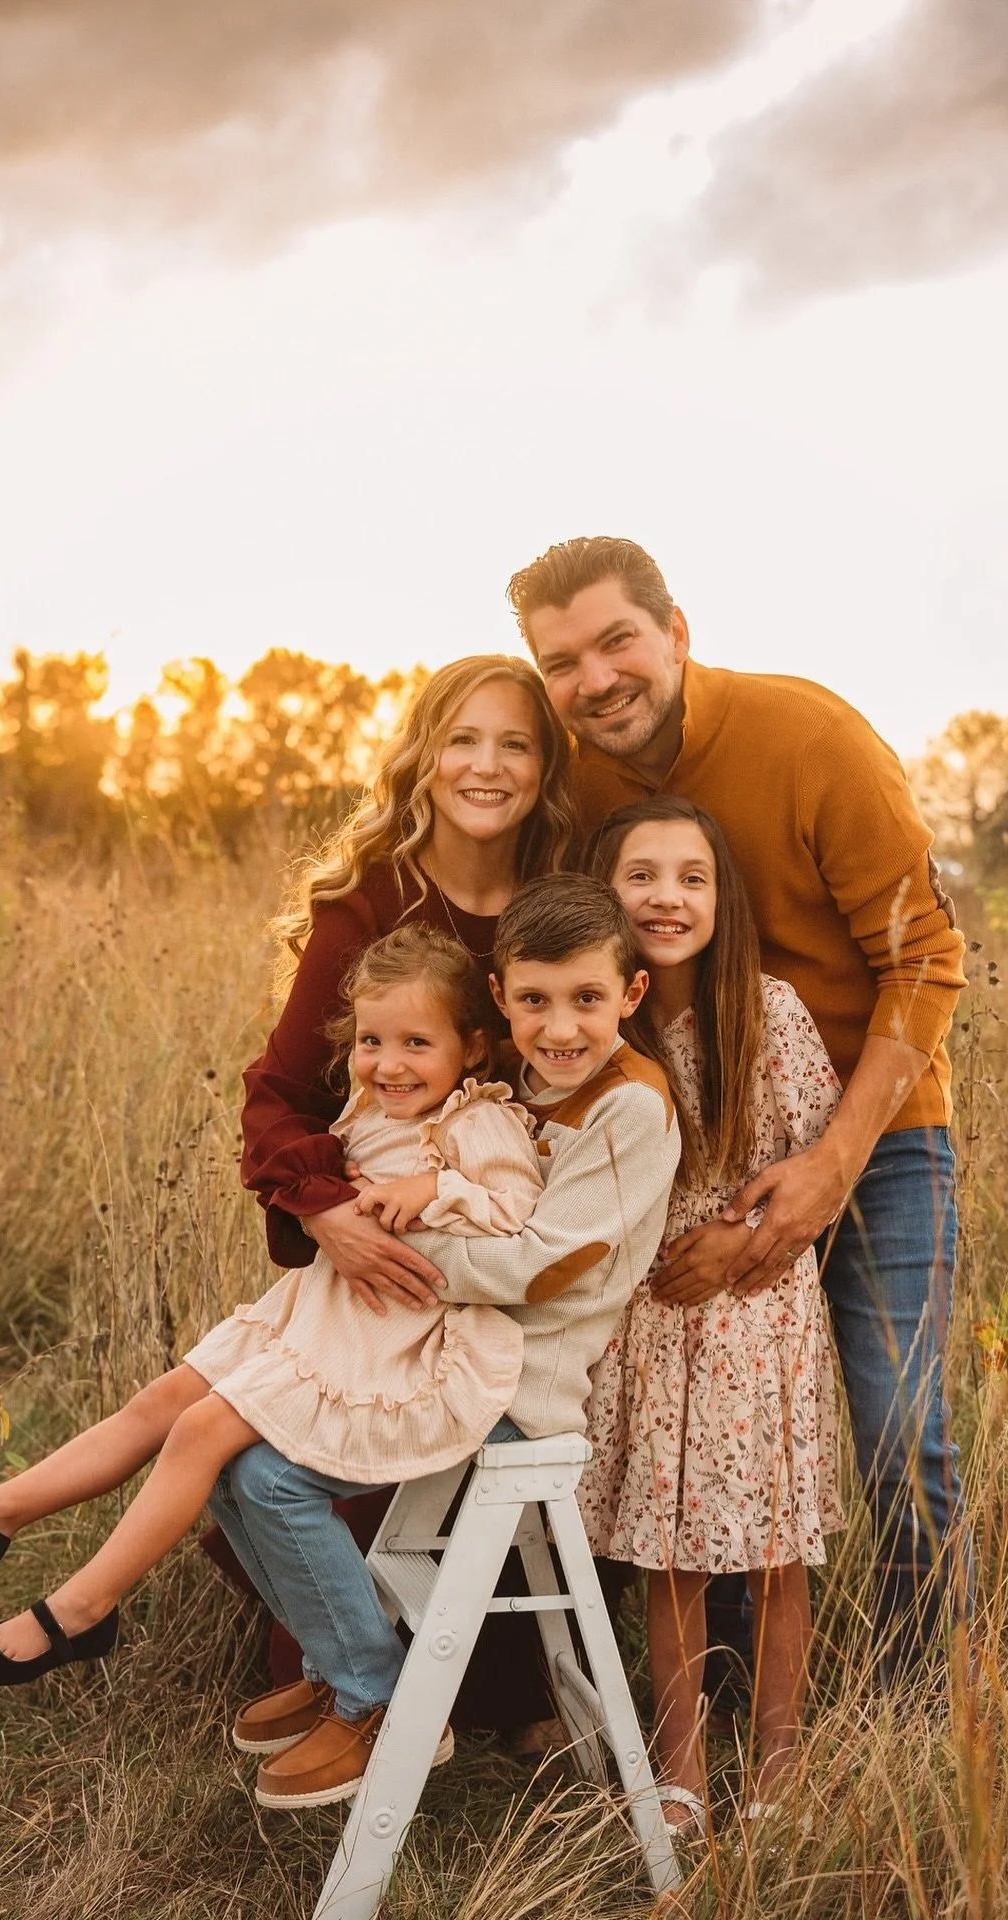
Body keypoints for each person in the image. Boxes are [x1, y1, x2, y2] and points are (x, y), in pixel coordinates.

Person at [507, 536, 969, 1682]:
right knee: (669, 1416)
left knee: (900, 1428)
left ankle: (930, 1702)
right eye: (562, 662)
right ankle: (703, 1688)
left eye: (617, 641)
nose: (596, 679)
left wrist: (830, 1168)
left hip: (877, 1131)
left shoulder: (811, 739)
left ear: (676, 632)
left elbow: (928, 959)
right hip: (681, 1151)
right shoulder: (575, 787)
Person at [0, 925, 543, 1693]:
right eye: (371, 1041)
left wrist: (429, 1189)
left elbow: (518, 1209)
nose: (388, 1064)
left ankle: (85, 1607)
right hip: (318, 1317)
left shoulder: (479, 1120)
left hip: (389, 1337)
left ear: (474, 1049)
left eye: (416, 1043)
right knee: (165, 1399)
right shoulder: (369, 1109)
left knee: (200, 1431)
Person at [205, 872, 681, 1808]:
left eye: (587, 1000)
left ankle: (378, 1697)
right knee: (227, 1460)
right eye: (536, 1001)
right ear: (501, 1003)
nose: (561, 1027)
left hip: (518, 1382)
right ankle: (346, 1667)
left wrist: (393, 1246)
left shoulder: (628, 1107)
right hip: (449, 1354)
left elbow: (546, 1265)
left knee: (272, 1477)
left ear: (630, 995)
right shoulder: (526, 1089)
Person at [235, 652, 578, 1745]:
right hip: (377, 1247)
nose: (486, 765)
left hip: (510, 1233)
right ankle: (359, 1688)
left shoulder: (561, 904)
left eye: (515, 743)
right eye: (463, 739)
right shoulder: (367, 907)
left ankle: (494, 1698)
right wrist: (326, 1208)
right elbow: (278, 1096)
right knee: (288, 1452)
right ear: (423, 756)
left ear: (546, 767)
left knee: (489, 1444)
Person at [578, 796, 844, 1831]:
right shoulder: (602, 1022)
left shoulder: (764, 1011)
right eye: (641, 874)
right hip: (651, 1317)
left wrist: (743, 1242)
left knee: (778, 1551)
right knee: (670, 1551)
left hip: (760, 1308)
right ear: (605, 892)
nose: (667, 896)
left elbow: (814, 1166)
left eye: (693, 877)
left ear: (723, 898)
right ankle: (678, 1769)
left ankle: (779, 1765)